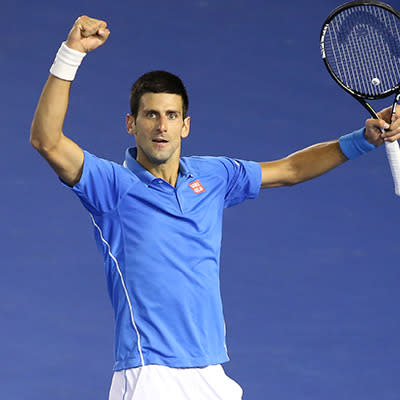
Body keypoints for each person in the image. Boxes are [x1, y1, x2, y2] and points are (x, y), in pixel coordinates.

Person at [30, 15, 400, 400]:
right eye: (151, 115)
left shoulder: (215, 176)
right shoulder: (110, 186)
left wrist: (363, 139)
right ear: (131, 123)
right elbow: (47, 141)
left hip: (211, 373)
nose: (161, 126)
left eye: (171, 116)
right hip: (149, 374)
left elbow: (290, 169)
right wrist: (71, 53)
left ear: (185, 126)